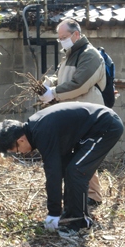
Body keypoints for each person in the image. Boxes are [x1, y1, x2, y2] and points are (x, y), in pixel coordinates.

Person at [0, 102, 123, 234]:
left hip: (106, 126)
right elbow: (59, 167)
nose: (21, 153)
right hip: (89, 131)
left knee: (77, 171)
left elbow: (53, 173)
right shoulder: (36, 128)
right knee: (69, 169)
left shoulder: (41, 132)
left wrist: (53, 213)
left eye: (17, 150)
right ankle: (69, 217)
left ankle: (80, 222)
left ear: (21, 140)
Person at [39, 18, 107, 207]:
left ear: (76, 34)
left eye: (64, 37)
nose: (61, 41)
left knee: (84, 154)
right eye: (59, 38)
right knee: (75, 154)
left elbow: (80, 83)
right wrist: (48, 83)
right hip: (72, 111)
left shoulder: (90, 55)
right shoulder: (69, 53)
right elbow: (62, 77)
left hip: (88, 112)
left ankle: (93, 196)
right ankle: (82, 193)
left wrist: (54, 93)